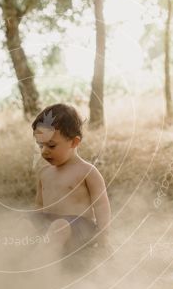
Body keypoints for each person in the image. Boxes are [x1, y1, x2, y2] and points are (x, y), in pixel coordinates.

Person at [28, 103, 111, 256]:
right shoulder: (44, 173)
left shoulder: (87, 171)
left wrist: (103, 238)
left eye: (51, 146)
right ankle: (15, 257)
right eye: (40, 146)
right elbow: (39, 205)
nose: (44, 151)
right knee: (22, 222)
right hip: (50, 225)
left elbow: (101, 206)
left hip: (80, 229)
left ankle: (39, 266)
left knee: (60, 226)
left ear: (74, 142)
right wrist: (31, 225)